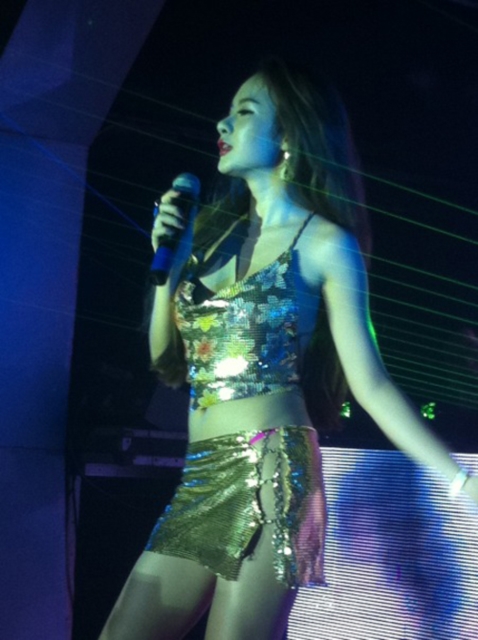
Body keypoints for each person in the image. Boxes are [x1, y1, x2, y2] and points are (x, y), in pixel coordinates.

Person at [99, 57, 478, 640]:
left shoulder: (324, 241)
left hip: (273, 471)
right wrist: (168, 269)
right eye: (227, 112)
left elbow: (370, 383)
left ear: (289, 138)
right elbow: (164, 359)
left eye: (244, 112)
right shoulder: (213, 238)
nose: (222, 124)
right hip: (200, 475)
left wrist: (459, 481)